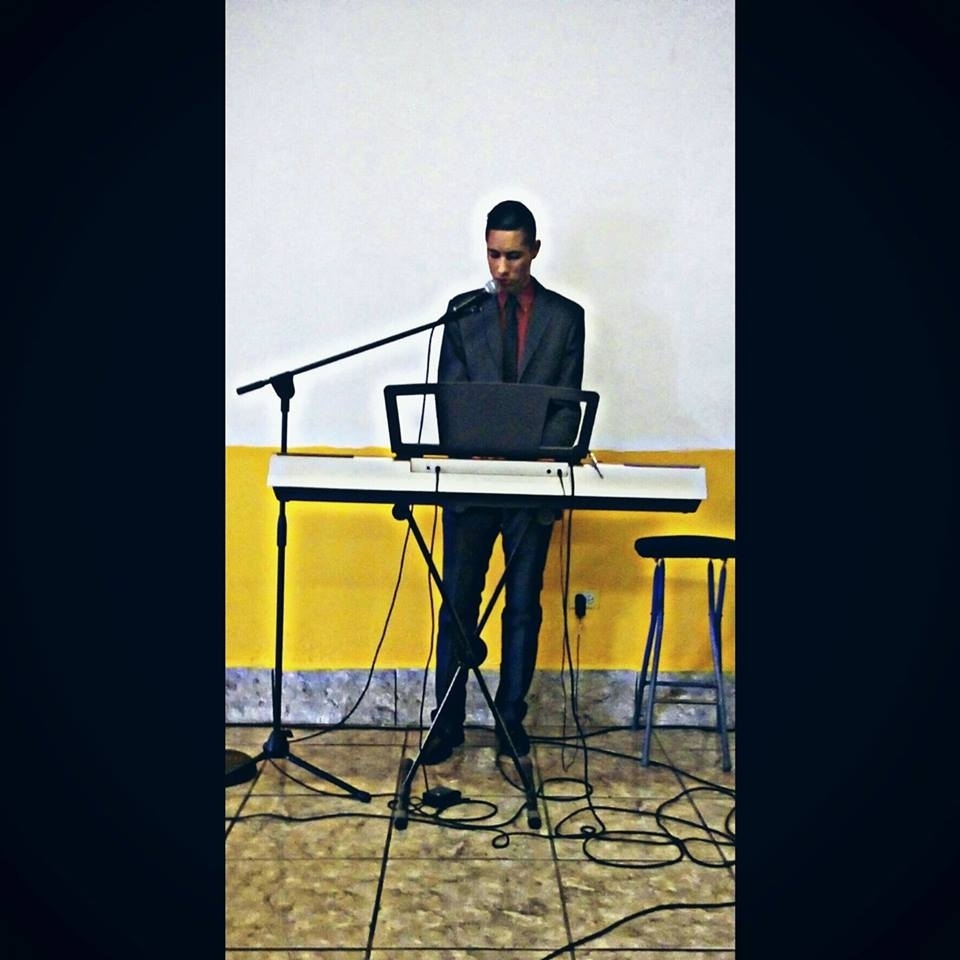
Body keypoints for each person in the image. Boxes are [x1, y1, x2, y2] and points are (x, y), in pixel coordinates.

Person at [422, 199, 586, 764]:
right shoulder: (462, 312)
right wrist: (478, 449)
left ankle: (510, 719)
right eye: (493, 254)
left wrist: (527, 455)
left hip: (531, 485)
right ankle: (446, 722)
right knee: (457, 603)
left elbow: (567, 407)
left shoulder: (565, 318)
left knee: (522, 605)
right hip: (470, 481)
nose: (501, 267)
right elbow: (449, 399)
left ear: (534, 251)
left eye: (513, 256)